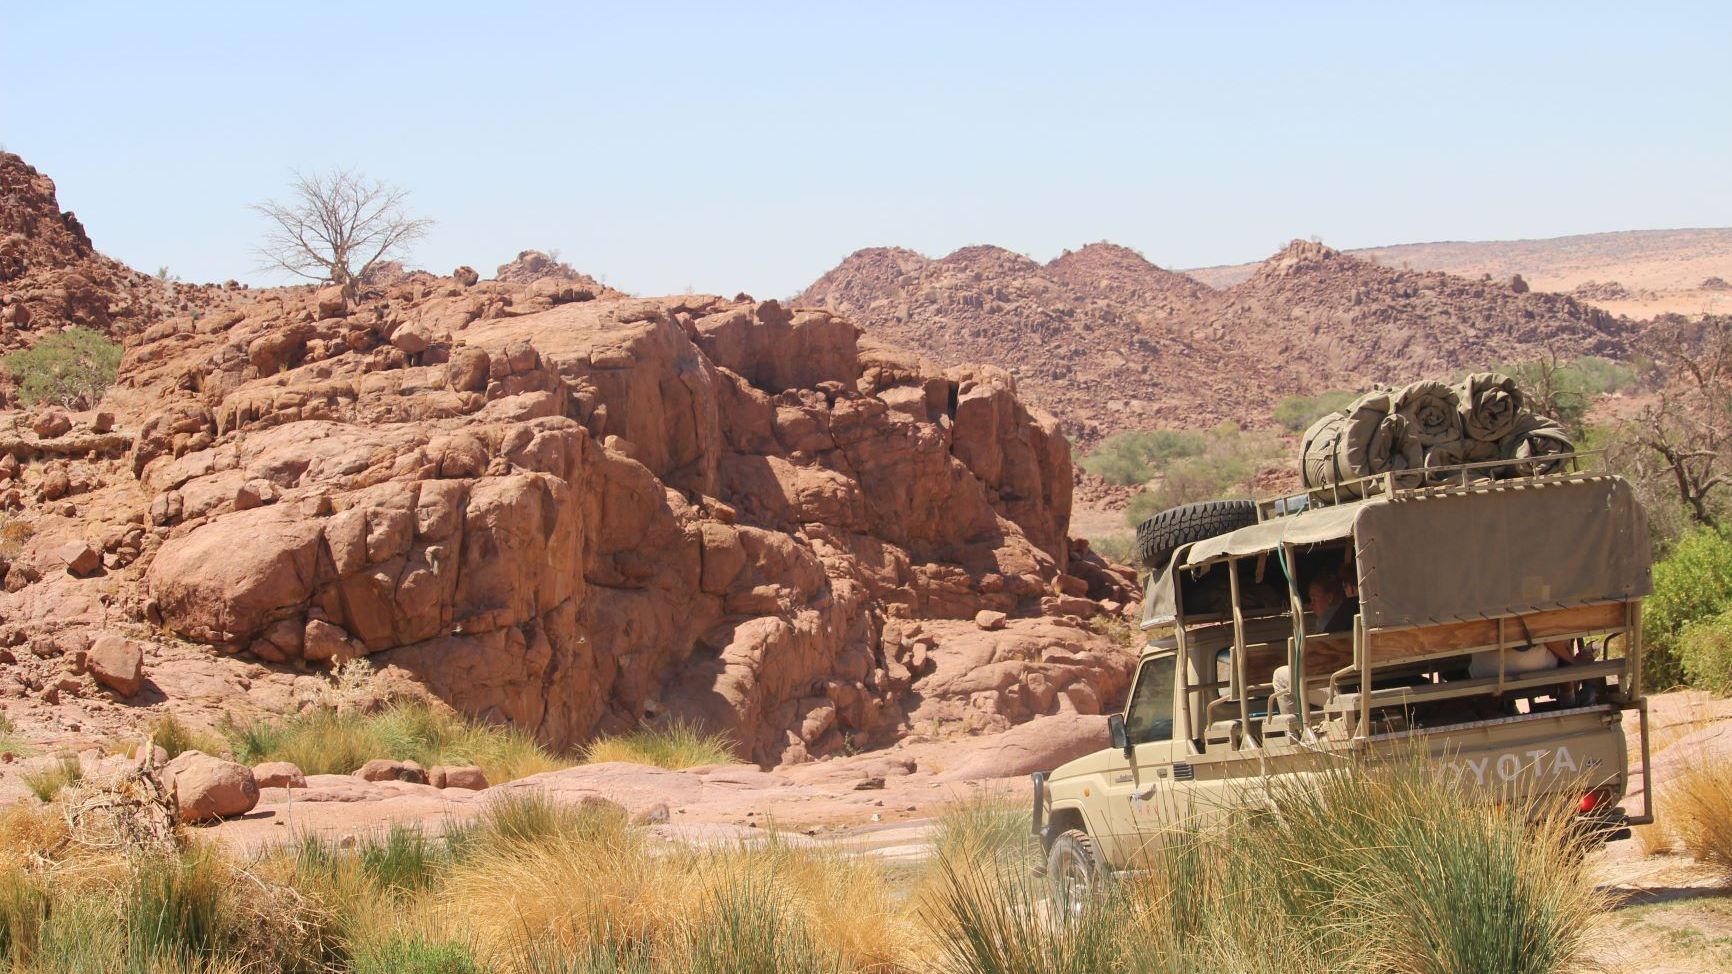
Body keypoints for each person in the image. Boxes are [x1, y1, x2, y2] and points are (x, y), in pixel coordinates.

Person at [1270, 570, 1358, 715]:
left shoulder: (1334, 621)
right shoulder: (1377, 612)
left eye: (1314, 599)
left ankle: (1296, 731)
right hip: (1377, 682)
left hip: (1342, 689)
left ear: (1330, 598)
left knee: (1280, 676)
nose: (1311, 605)